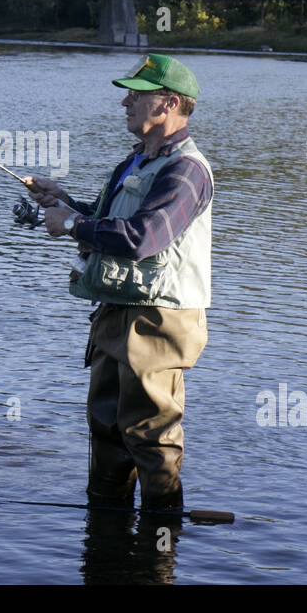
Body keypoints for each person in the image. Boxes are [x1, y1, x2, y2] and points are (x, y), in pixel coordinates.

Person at [28, 53, 213, 515]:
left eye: (136, 95)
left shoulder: (187, 171)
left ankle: (160, 537)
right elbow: (111, 223)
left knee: (151, 435)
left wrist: (71, 224)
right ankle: (106, 527)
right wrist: (66, 201)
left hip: (159, 322)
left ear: (168, 104)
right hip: (117, 312)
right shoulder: (135, 163)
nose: (125, 103)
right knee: (106, 427)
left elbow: (144, 238)